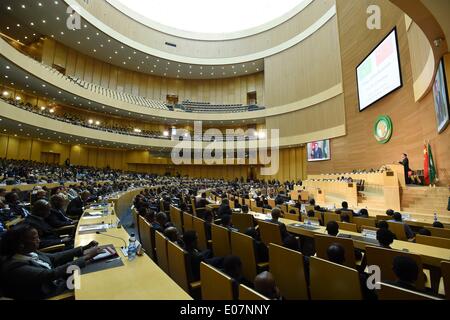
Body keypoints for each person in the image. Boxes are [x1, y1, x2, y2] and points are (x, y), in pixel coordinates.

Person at [0, 224, 101, 299]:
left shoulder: (28, 252)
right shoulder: (14, 267)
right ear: (21, 245)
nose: (39, 241)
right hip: (51, 292)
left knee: (92, 269)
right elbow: (51, 274)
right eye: (35, 238)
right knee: (92, 282)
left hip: (58, 281)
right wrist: (86, 256)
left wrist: (83, 249)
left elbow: (54, 257)